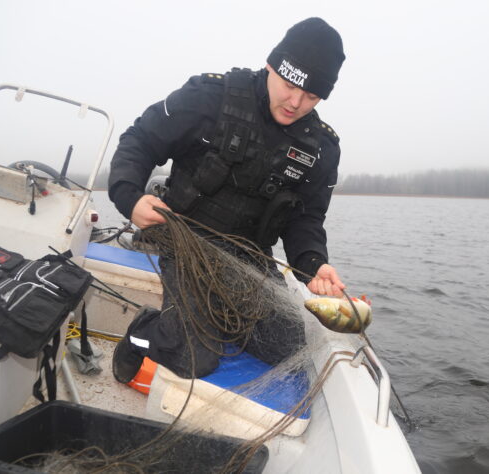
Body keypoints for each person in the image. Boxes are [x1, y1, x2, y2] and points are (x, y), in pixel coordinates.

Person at [108, 17, 347, 382]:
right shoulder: (208, 98)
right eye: (289, 85)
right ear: (272, 65)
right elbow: (139, 140)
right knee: (193, 354)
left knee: (288, 346)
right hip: (186, 240)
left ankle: (214, 315)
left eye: (311, 97)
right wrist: (130, 196)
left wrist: (315, 265)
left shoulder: (321, 148)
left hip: (250, 258)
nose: (296, 102)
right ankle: (142, 333)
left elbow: (306, 220)